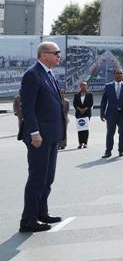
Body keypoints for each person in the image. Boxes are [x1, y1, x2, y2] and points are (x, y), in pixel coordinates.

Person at [19, 41, 65, 233]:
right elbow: (28, 109)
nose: (59, 56)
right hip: (39, 137)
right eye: (56, 53)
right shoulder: (32, 75)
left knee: (48, 178)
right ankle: (28, 220)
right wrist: (34, 133)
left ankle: (41, 213)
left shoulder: (48, 73)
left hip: (52, 135)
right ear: (43, 55)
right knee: (37, 178)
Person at [100, 68, 123, 158]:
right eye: (117, 73)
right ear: (114, 75)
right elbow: (104, 101)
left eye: (121, 73)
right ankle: (108, 151)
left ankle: (121, 150)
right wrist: (102, 113)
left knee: (122, 133)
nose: (119, 75)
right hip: (111, 114)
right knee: (110, 133)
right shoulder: (108, 86)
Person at [73, 81, 93, 149]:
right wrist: (79, 109)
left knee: (85, 129)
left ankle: (85, 143)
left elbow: (91, 103)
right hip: (79, 114)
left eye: (85, 85)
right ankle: (80, 143)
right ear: (80, 86)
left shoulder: (90, 94)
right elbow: (74, 104)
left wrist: (85, 109)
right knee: (80, 129)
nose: (83, 87)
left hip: (87, 113)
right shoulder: (76, 95)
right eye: (82, 85)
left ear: (87, 86)